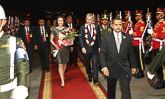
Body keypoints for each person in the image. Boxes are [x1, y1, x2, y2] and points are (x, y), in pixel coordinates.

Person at [100, 18, 137, 99]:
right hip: (111, 68)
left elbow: (131, 53)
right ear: (112, 26)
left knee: (126, 90)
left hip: (124, 67)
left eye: (120, 24)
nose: (118, 27)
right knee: (111, 90)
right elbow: (102, 54)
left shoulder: (127, 37)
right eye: (116, 25)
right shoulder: (106, 38)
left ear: (122, 26)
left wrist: (133, 65)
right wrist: (104, 67)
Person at [0, 5, 29, 99]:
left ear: (4, 22)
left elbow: (22, 65)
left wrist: (22, 86)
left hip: (6, 93)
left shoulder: (14, 41)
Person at [79, 13, 101, 85]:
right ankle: (89, 75)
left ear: (93, 20)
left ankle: (95, 79)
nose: (89, 21)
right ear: (86, 19)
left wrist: (99, 47)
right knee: (87, 63)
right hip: (86, 49)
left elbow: (98, 38)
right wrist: (82, 47)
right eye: (87, 19)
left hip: (94, 48)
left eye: (90, 19)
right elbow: (81, 38)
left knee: (95, 64)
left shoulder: (97, 26)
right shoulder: (82, 27)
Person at [50, 16, 69, 88]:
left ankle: (62, 75)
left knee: (65, 63)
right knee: (60, 64)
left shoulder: (67, 29)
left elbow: (69, 38)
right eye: (59, 20)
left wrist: (67, 42)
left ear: (64, 21)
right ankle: (62, 80)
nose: (60, 22)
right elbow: (51, 40)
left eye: (62, 21)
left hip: (65, 48)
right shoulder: (54, 29)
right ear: (57, 21)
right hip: (58, 48)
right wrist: (55, 46)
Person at [150, 7, 165, 89]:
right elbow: (154, 34)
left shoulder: (164, 24)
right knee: (157, 65)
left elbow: (163, 36)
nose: (156, 16)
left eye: (158, 14)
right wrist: (152, 40)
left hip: (160, 46)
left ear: (162, 15)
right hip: (156, 45)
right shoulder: (157, 24)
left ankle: (162, 81)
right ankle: (160, 80)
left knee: (161, 65)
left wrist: (155, 35)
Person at [132, 10, 146, 78]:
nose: (136, 17)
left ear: (141, 16)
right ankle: (139, 70)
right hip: (135, 43)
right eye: (136, 15)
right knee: (137, 58)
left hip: (139, 43)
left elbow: (141, 34)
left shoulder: (142, 23)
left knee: (140, 58)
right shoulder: (137, 23)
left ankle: (141, 72)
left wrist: (134, 33)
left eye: (137, 15)